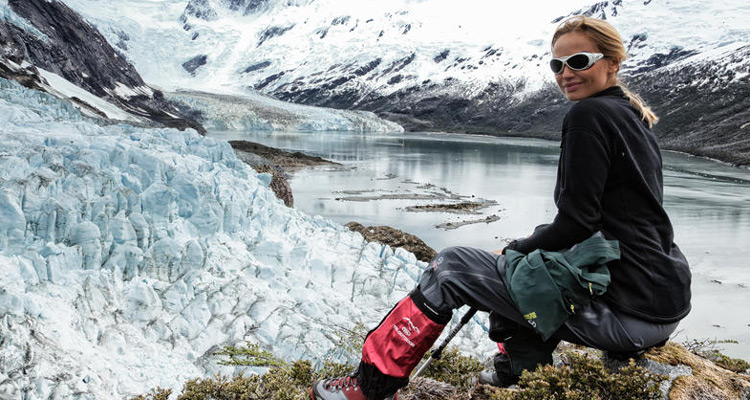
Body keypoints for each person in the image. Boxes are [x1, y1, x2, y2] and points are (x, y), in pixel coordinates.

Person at [310, 15, 691, 400]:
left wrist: (514, 249)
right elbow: (613, 218)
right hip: (662, 304)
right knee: (521, 265)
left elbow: (578, 221)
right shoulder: (630, 113)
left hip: (626, 312)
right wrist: (524, 249)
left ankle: (368, 387)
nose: (565, 74)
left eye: (579, 62)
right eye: (557, 65)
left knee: (452, 267)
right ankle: (516, 371)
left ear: (612, 62)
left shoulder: (588, 115)